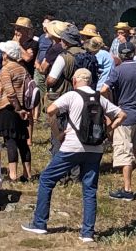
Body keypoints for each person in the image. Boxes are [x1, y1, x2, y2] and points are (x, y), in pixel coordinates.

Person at [22, 69, 126, 241]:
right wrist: (106, 131)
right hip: (95, 148)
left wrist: (58, 133)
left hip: (72, 146)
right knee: (90, 189)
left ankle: (40, 223)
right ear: (91, 81)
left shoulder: (71, 95)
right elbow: (122, 114)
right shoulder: (100, 97)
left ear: (74, 80)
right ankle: (87, 233)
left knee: (47, 178)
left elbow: (50, 110)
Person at [101, 36, 136, 201]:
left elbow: (104, 89)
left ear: (120, 54)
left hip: (124, 115)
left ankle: (127, 189)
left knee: (125, 152)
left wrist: (112, 106)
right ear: (133, 53)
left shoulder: (117, 71)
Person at [0, 40, 32, 182]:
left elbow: (10, 92)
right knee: (22, 141)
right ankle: (27, 173)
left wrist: (17, 109)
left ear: (6, 55)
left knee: (10, 141)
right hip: (22, 107)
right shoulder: (22, 69)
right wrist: (23, 109)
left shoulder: (6, 70)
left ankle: (12, 175)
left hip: (9, 108)